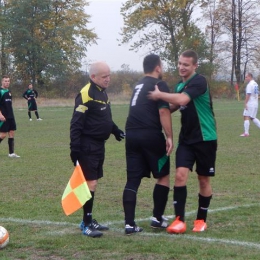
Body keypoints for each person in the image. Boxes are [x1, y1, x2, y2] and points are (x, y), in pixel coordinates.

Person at [148, 50, 217, 233]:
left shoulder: (199, 81)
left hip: (205, 138)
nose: (182, 67)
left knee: (203, 180)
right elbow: (172, 106)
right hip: (186, 140)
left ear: (195, 66)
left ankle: (201, 220)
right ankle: (179, 220)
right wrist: (148, 113)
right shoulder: (180, 86)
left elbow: (182, 99)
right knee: (180, 175)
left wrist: (160, 94)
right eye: (180, 63)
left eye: (186, 64)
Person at [70, 61, 125, 238]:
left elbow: (104, 118)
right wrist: (75, 149)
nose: (108, 79)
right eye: (104, 76)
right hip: (87, 145)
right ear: (93, 77)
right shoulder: (86, 94)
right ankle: (86, 224)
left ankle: (89, 219)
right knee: (90, 183)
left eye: (109, 75)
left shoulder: (102, 92)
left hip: (99, 145)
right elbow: (76, 124)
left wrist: (115, 130)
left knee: (94, 182)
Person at [122, 54, 173, 235]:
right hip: (150, 135)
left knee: (132, 179)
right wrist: (169, 136)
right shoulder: (159, 85)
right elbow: (163, 112)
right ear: (158, 67)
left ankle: (129, 224)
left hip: (132, 135)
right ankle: (157, 218)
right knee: (163, 175)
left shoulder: (139, 84)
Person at [0, 75, 20, 158]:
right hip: (3, 116)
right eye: (5, 81)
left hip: (10, 116)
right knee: (3, 135)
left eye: (8, 81)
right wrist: (0, 115)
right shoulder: (0, 91)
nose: (7, 82)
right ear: (2, 82)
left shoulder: (9, 91)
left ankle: (11, 153)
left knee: (11, 132)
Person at [240, 73, 260, 137]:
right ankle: (246, 133)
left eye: (246, 77)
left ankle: (246, 133)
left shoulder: (250, 85)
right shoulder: (255, 84)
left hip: (250, 103)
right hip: (255, 103)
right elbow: (257, 93)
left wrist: (245, 103)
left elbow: (248, 94)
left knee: (246, 116)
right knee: (252, 117)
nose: (245, 78)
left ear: (250, 77)